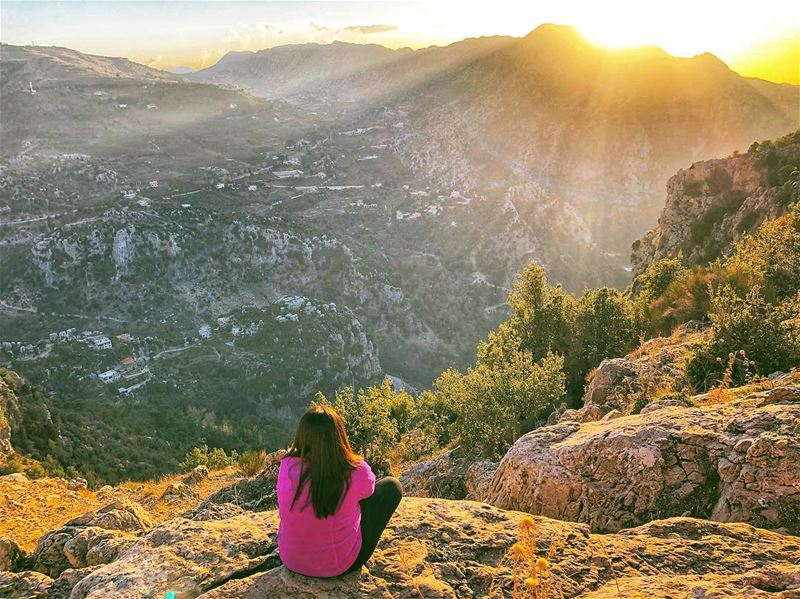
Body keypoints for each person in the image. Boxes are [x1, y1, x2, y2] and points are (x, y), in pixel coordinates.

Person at [277, 404, 403, 577]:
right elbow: (369, 490)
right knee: (391, 486)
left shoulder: (287, 466)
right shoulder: (355, 470)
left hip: (291, 560)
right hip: (338, 566)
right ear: (339, 436)